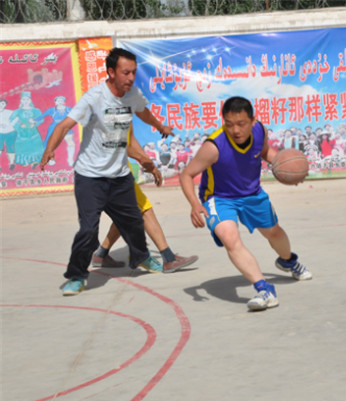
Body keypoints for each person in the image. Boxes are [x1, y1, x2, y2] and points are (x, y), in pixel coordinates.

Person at [39, 47, 174, 296]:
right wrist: (50, 149)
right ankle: (77, 276)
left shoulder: (132, 95)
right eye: (125, 72)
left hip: (120, 176)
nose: (131, 78)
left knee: (133, 221)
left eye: (133, 72)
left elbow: (143, 112)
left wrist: (160, 126)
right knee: (89, 230)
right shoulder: (94, 98)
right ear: (111, 72)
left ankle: (142, 257)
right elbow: (64, 125)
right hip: (90, 177)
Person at [179, 96, 312, 311]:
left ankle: (287, 260)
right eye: (229, 124)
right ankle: (264, 290)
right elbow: (186, 175)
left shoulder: (260, 131)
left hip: (252, 194)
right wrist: (194, 204)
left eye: (241, 124)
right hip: (220, 198)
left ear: (252, 121)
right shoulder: (213, 146)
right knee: (230, 239)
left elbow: (264, 151)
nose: (235, 130)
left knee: (274, 232)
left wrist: (289, 169)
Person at [92, 128, 198, 274]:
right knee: (144, 209)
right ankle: (169, 258)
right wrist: (148, 163)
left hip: (111, 171)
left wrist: (157, 127)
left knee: (124, 214)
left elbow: (130, 139)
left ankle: (101, 254)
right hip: (111, 172)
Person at [37, 96, 75, 167]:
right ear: (55, 102)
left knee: (71, 143)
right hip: (54, 127)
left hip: (65, 126)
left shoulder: (69, 109)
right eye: (58, 101)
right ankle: (51, 159)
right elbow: (42, 116)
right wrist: (33, 120)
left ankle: (70, 159)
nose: (60, 102)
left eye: (61, 100)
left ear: (64, 102)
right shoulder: (51, 110)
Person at [11, 91, 43, 169]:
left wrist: (34, 123)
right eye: (23, 99)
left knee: (35, 146)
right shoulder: (17, 111)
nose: (25, 101)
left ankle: (34, 162)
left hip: (33, 132)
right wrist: (20, 124)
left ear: (30, 100)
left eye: (27, 99)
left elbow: (41, 119)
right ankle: (24, 161)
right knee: (22, 147)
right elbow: (12, 120)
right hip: (22, 133)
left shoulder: (36, 110)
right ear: (21, 101)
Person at [0, 98, 16, 170]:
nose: (1, 105)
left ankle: (12, 163)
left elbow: (16, 119)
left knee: (10, 147)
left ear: (5, 105)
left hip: (10, 132)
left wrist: (9, 124)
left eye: (3, 103)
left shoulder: (10, 112)